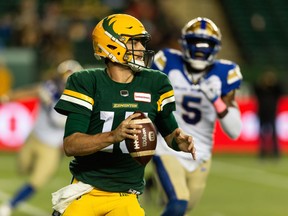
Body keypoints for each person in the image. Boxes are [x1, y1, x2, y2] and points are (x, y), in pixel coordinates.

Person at [50, 14, 196, 216]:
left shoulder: (156, 83)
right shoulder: (86, 81)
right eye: (135, 42)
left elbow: (170, 133)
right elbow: (71, 144)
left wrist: (179, 141)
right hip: (87, 190)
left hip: (126, 196)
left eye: (142, 43)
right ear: (111, 45)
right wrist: (113, 136)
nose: (142, 49)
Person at [151, 17, 243, 215]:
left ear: (215, 47)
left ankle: (159, 190)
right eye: (195, 42)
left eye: (206, 43)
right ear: (184, 43)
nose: (200, 48)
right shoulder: (167, 61)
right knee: (178, 202)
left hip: (201, 153)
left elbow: (235, 131)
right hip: (168, 146)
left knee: (185, 207)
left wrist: (217, 100)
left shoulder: (225, 73)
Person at [0, 59, 83, 216]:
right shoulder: (48, 89)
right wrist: (8, 97)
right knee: (22, 168)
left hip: (52, 148)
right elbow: (31, 90)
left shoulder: (80, 102)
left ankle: (10, 206)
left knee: (37, 181)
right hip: (35, 138)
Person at [253, 68, 284, 159]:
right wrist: (263, 83)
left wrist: (273, 83)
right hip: (262, 112)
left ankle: (276, 152)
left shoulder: (274, 90)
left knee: (274, 133)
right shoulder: (261, 90)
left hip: (272, 113)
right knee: (261, 134)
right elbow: (255, 89)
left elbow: (281, 90)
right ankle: (262, 152)